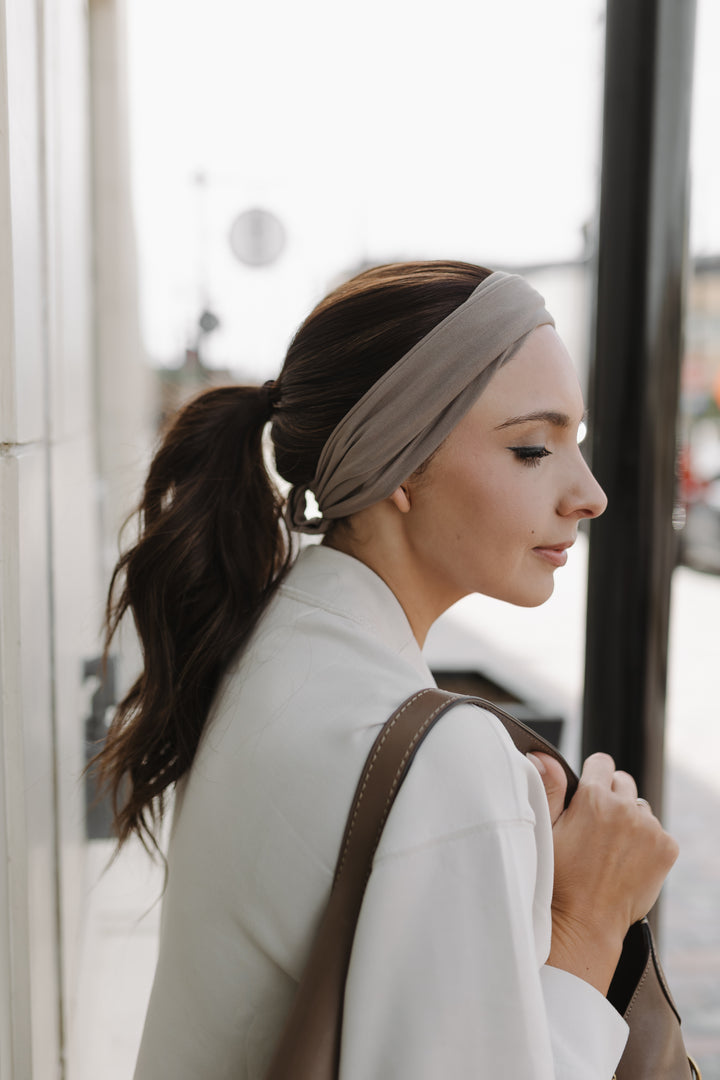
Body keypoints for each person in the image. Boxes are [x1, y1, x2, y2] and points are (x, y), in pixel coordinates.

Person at [98, 261, 678, 1079]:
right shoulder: (438, 762)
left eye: (574, 444)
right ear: (400, 465)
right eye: (531, 448)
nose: (589, 493)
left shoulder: (268, 643)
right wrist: (591, 919)